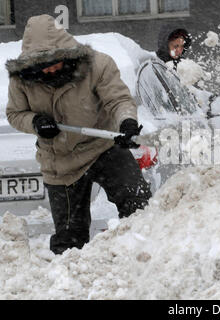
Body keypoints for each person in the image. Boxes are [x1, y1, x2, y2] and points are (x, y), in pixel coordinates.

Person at [6, 15, 152, 255]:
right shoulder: (22, 79)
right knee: (69, 240)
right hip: (60, 161)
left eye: (55, 60)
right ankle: (70, 282)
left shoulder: (98, 65)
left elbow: (118, 100)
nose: (50, 67)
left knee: (139, 208)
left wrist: (127, 122)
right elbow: (15, 114)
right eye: (42, 63)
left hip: (103, 147)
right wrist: (36, 122)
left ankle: (143, 257)